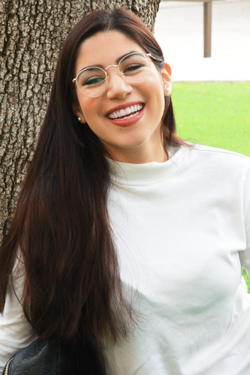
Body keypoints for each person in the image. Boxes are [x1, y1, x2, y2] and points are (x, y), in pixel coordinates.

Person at [0, 7, 250, 375]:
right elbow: (10, 342)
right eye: (92, 79)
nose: (117, 88)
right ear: (77, 109)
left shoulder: (232, 175)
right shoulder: (57, 209)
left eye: (132, 66)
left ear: (165, 77)